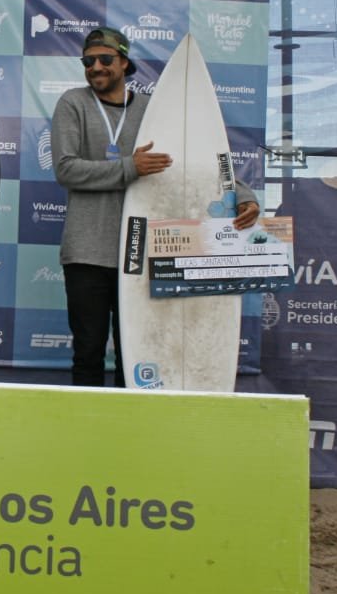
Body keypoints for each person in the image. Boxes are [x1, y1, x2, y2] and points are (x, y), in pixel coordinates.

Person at [51, 26, 260, 387]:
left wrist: (243, 194)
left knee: (138, 355)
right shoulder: (74, 103)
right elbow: (66, 169)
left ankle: (129, 434)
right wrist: (130, 167)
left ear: (124, 62)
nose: (95, 67)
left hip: (144, 258)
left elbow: (197, 164)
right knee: (88, 352)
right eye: (88, 61)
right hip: (88, 254)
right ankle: (86, 435)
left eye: (105, 59)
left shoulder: (154, 111)